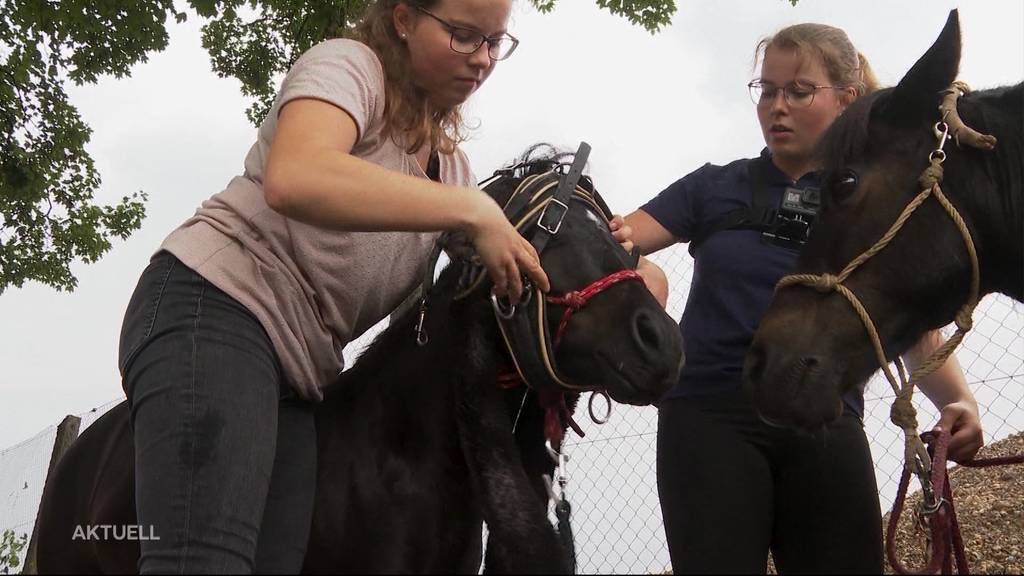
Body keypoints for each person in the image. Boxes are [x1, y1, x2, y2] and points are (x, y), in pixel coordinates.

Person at [117, 1, 642, 572]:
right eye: (464, 35)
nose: (483, 59)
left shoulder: (455, 172)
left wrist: (615, 290)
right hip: (213, 304)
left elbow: (448, 318)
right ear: (402, 19)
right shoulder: (350, 69)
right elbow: (296, 175)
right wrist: (471, 213)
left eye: (495, 43)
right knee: (206, 561)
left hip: (302, 371)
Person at [624, 23, 986, 574]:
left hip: (825, 415)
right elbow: (615, 243)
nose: (777, 106)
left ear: (848, 98)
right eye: (766, 90)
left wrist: (958, 401)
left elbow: (906, 319)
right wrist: (642, 271)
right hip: (709, 416)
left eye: (798, 90)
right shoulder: (714, 186)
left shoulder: (874, 203)